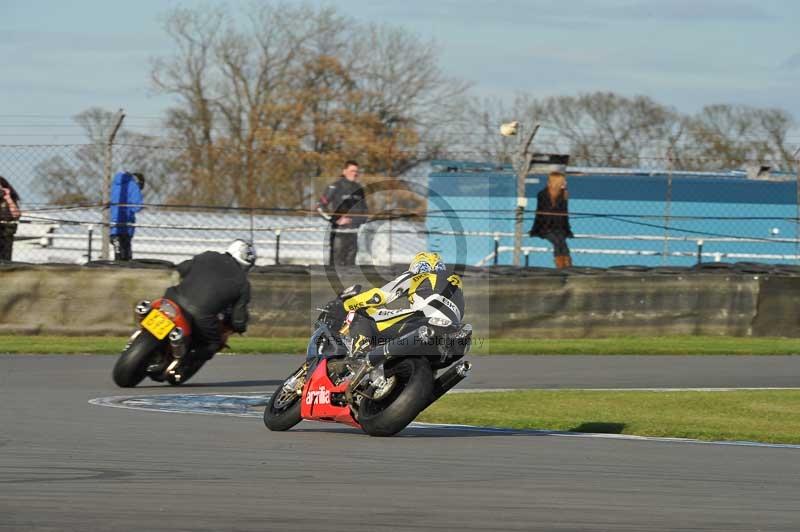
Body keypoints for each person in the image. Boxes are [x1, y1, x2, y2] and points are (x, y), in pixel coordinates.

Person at [156, 239, 256, 382]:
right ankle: (183, 365)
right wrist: (240, 327)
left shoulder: (208, 255)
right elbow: (238, 318)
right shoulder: (243, 283)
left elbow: (182, 268)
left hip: (172, 297)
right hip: (201, 316)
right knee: (213, 343)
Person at [339, 252, 465, 355]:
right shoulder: (457, 288)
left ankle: (360, 353)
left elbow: (378, 297)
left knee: (363, 314)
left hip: (424, 320)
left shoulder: (419, 276)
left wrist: (346, 304)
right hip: (452, 332)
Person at [317, 160, 368, 266]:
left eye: (356, 171)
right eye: (352, 171)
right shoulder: (335, 187)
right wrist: (336, 219)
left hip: (353, 233)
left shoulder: (359, 188)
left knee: (350, 266)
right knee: (336, 266)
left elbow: (365, 213)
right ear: (344, 171)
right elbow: (320, 207)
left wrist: (353, 220)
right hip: (338, 234)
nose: (355, 173)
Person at [529, 171, 574, 269]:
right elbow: (541, 214)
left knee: (562, 242)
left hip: (560, 227)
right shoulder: (542, 194)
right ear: (557, 182)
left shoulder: (564, 194)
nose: (565, 183)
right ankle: (561, 267)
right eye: (563, 181)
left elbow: (564, 214)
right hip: (545, 227)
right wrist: (541, 229)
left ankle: (568, 266)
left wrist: (566, 230)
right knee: (557, 241)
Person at [110, 171, 145, 261]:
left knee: (117, 253)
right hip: (126, 224)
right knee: (126, 254)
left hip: (113, 224)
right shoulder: (133, 186)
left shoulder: (115, 184)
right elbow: (136, 207)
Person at [0, 176, 21, 261]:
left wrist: (8, 197)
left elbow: (16, 214)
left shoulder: (9, 199)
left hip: (6, 232)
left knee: (6, 258)